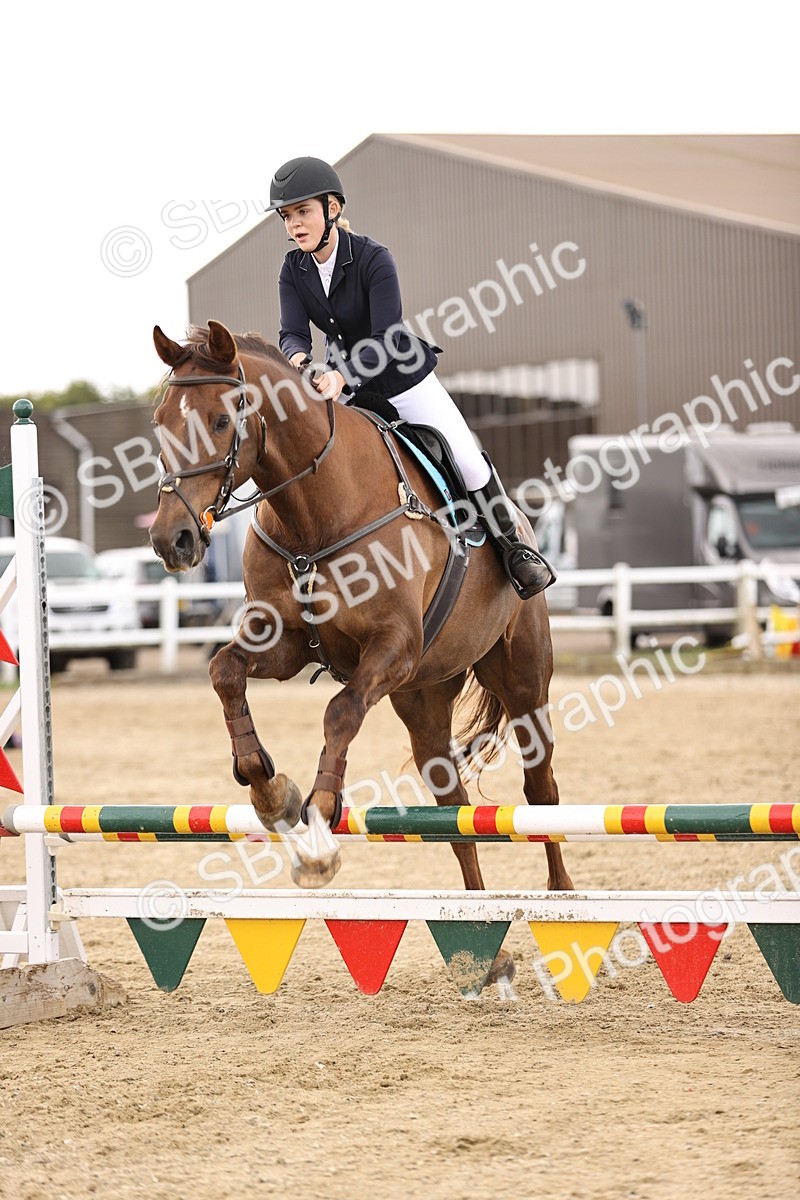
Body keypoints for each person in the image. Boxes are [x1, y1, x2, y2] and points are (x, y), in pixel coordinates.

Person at [266, 156, 555, 599]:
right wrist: (303, 363)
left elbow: (385, 335)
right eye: (288, 216)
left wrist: (341, 374)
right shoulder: (293, 269)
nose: (294, 225)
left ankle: (515, 550)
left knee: (467, 458)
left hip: (401, 378)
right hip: (341, 385)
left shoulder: (373, 257)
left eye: (303, 212)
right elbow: (291, 333)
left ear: (332, 209)